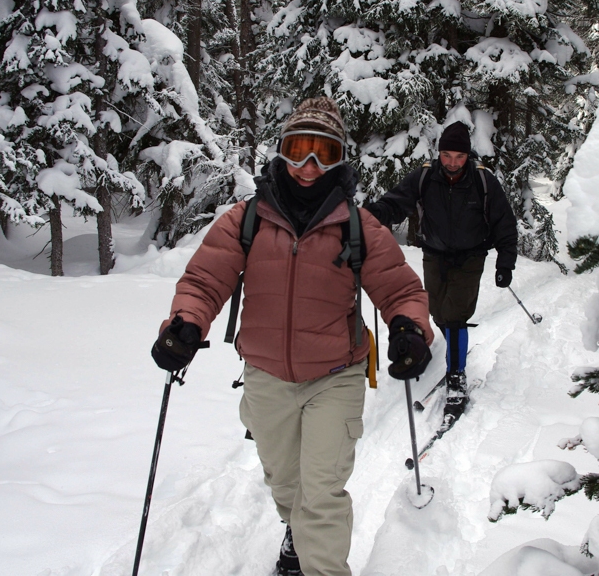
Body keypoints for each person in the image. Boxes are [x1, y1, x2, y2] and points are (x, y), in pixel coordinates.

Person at [150, 97, 434, 576]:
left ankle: (317, 557)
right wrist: (187, 323)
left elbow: (400, 289)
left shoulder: (357, 226)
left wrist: (408, 328)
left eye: (323, 153)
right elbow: (204, 281)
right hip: (265, 376)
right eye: (299, 149)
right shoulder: (247, 220)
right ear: (281, 151)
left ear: (339, 159)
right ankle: (294, 529)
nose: (308, 165)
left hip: (334, 375)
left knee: (320, 491)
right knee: (284, 481)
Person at [364, 122, 518, 420]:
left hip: (470, 256)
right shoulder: (424, 176)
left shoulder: (482, 181)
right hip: (434, 254)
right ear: (439, 154)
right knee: (436, 311)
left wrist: (505, 262)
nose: (452, 163)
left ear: (468, 157)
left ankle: (456, 375)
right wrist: (372, 216)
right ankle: (454, 349)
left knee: (456, 315)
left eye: (459, 157)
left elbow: (504, 223)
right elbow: (396, 202)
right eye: (447, 156)